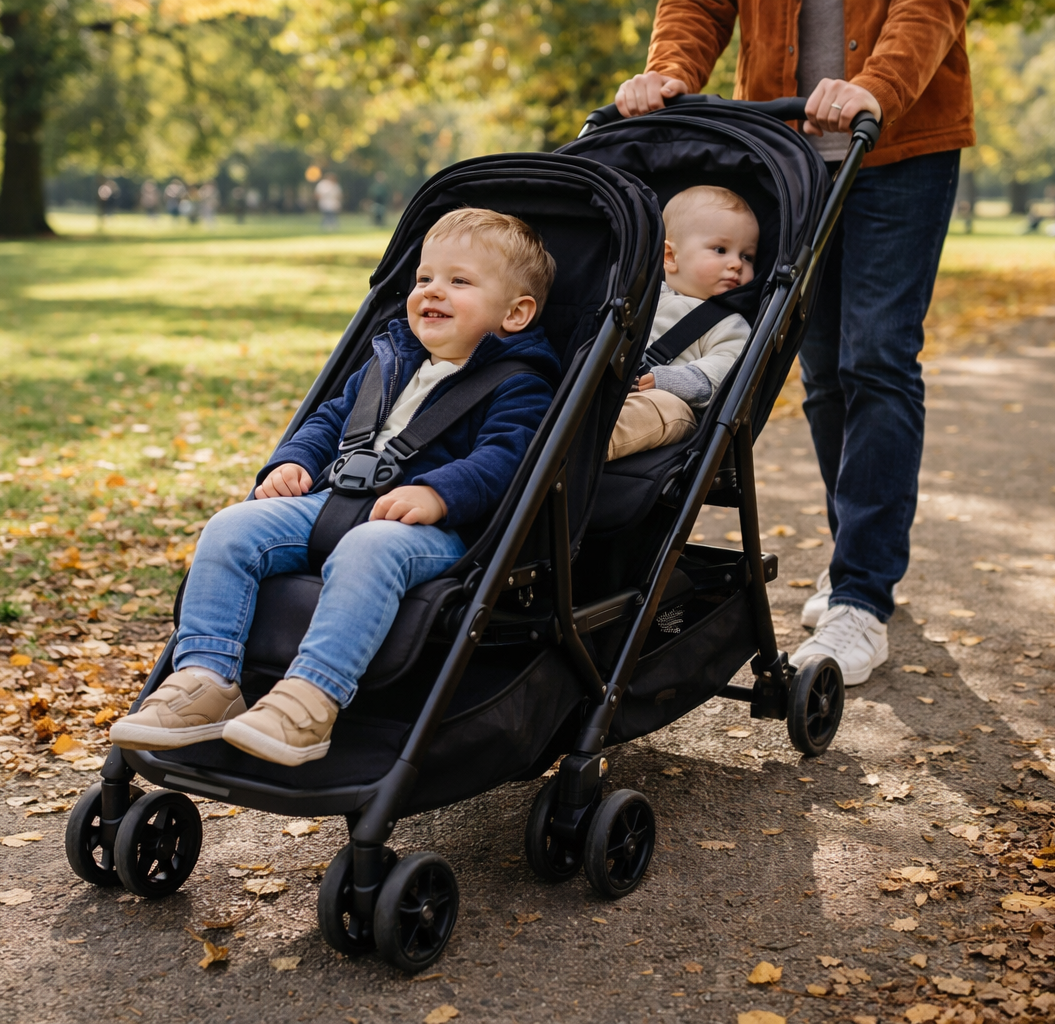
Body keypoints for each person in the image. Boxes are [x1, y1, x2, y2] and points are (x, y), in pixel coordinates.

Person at [109, 209, 560, 766]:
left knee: (368, 549)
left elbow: (506, 459)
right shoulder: (391, 359)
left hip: (435, 528)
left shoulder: (522, 384)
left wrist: (438, 493)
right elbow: (330, 419)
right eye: (424, 279)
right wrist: (293, 461)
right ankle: (205, 679)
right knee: (232, 528)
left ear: (515, 313)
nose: (432, 292)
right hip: (336, 500)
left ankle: (310, 697)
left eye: (459, 281)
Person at [615, 0, 974, 686]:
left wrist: (878, 85)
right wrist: (668, 72)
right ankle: (853, 557)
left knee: (876, 357)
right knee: (823, 367)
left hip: (899, 141)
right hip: (785, 150)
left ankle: (862, 595)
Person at [609, 185, 757, 460]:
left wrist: (672, 381)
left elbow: (727, 368)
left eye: (747, 256)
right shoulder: (638, 299)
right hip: (612, 393)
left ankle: (584, 444)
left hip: (675, 405)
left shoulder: (730, 324)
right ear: (669, 257)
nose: (737, 264)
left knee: (658, 409)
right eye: (720, 249)